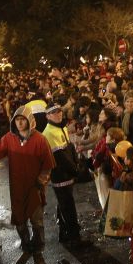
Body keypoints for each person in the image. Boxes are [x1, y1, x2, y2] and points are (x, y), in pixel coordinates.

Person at [0, 105, 55, 264]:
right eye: (17, 120)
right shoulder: (9, 138)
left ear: (29, 121)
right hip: (17, 189)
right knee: (20, 222)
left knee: (37, 223)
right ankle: (26, 248)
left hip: (34, 189)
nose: (19, 123)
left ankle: (38, 253)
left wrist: (41, 180)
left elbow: (47, 165)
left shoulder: (39, 140)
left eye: (22, 120)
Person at [42, 103, 89, 248]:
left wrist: (76, 163)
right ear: (48, 116)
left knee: (64, 204)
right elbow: (60, 157)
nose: (59, 114)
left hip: (67, 173)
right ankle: (74, 238)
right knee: (68, 206)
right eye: (54, 113)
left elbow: (69, 147)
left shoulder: (60, 126)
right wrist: (76, 171)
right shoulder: (49, 132)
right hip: (61, 175)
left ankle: (64, 233)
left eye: (59, 112)